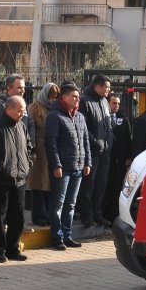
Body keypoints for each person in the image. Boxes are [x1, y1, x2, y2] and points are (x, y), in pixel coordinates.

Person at [0, 96, 31, 262]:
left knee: (18, 217)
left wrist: (28, 164)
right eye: (20, 110)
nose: (22, 114)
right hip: (1, 181)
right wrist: (1, 169)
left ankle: (13, 249)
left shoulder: (22, 126)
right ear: (9, 109)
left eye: (23, 111)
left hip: (20, 180)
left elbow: (28, 147)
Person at [45, 84, 91, 250]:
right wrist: (56, 165)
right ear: (63, 97)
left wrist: (87, 162)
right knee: (58, 203)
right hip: (62, 168)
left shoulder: (80, 116)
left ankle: (67, 235)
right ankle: (57, 238)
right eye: (74, 96)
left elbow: (85, 141)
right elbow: (51, 143)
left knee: (71, 204)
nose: (77, 99)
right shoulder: (54, 116)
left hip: (78, 167)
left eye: (78, 97)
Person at [77, 74, 113, 227]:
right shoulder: (85, 101)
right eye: (107, 87)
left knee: (101, 184)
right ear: (98, 87)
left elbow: (107, 124)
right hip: (91, 152)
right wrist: (96, 143)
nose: (109, 90)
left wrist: (109, 141)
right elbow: (83, 127)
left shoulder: (104, 101)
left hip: (105, 151)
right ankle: (87, 215)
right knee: (88, 185)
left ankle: (98, 214)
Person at [27, 83, 59, 227]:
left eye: (55, 98)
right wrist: (33, 149)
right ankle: (39, 216)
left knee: (50, 184)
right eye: (50, 97)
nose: (52, 100)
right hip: (39, 150)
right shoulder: (34, 108)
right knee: (38, 184)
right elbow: (31, 128)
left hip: (52, 148)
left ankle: (48, 214)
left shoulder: (55, 108)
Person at [103, 93, 132, 222]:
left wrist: (128, 158)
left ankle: (114, 215)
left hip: (119, 161)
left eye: (118, 103)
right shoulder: (103, 117)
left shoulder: (123, 119)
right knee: (105, 188)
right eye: (114, 103)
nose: (117, 106)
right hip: (106, 159)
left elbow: (128, 139)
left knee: (117, 188)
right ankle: (103, 214)